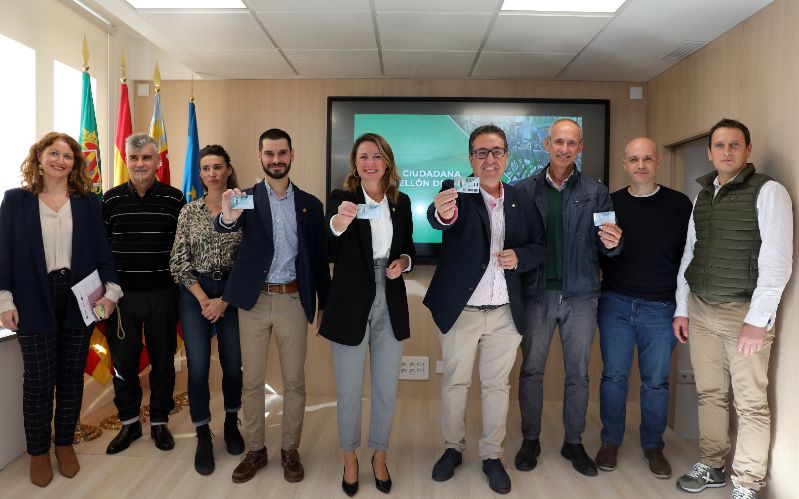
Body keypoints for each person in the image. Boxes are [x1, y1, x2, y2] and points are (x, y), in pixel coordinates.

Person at [673, 119, 792, 499]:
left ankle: (747, 483)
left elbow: (778, 261)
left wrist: (757, 321)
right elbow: (690, 255)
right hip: (701, 309)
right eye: (720, 145)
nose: (727, 151)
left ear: (747, 150)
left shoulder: (769, 191)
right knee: (710, 393)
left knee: (751, 403)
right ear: (710, 153)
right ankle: (712, 464)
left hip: (743, 314)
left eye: (734, 145)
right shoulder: (702, 196)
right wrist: (681, 308)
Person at [425, 124, 546, 495]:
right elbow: (439, 217)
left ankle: (492, 455)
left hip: (505, 312)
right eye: (481, 152)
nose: (489, 159)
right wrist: (443, 213)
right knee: (455, 382)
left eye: (496, 152)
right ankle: (453, 448)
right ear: (471, 159)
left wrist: (520, 256)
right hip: (461, 310)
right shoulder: (456, 191)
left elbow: (539, 246)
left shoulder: (522, 199)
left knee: (496, 386)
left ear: (507, 157)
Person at [0, 132, 121, 487]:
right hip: (32, 298)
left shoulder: (87, 203)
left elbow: (102, 252)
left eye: (67, 156)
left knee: (70, 377)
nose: (60, 161)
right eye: (54, 153)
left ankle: (64, 444)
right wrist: (4, 301)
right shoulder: (16, 200)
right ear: (39, 157)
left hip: (78, 299)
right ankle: (38, 452)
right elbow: (3, 254)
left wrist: (111, 294)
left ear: (75, 164)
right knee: (38, 380)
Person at [217, 128, 330, 484]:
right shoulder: (244, 198)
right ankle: (256, 450)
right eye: (269, 153)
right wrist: (227, 217)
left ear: (292, 155)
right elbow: (225, 229)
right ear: (260, 156)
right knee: (252, 382)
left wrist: (323, 304)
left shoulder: (310, 204)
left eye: (282, 153)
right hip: (253, 302)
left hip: (293, 300)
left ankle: (289, 450)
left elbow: (318, 259)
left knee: (294, 382)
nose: (276, 159)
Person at [514, 118, 622, 477]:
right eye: (558, 142)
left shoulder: (596, 191)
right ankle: (530, 439)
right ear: (546, 145)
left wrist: (614, 244)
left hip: (581, 296)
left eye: (571, 143)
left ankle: (573, 442)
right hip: (536, 295)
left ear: (580, 148)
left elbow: (607, 245)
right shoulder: (523, 190)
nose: (564, 148)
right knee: (531, 371)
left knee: (578, 374)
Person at [320, 133, 415, 496]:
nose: (370, 162)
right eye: (363, 156)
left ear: (387, 162)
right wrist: (340, 221)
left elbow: (407, 248)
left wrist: (403, 262)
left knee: (386, 389)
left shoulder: (401, 202)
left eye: (377, 156)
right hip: (350, 301)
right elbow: (331, 234)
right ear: (355, 164)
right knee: (348, 390)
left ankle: (379, 455)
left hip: (390, 297)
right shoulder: (342, 198)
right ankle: (350, 458)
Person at [594, 138, 692, 478]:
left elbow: (689, 258)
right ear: (624, 164)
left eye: (647, 159)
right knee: (613, 377)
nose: (640, 165)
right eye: (634, 159)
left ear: (657, 162)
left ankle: (653, 446)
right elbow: (599, 252)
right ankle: (610, 441)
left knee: (656, 382)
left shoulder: (679, 205)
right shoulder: (610, 203)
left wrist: (683, 307)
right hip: (615, 303)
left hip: (662, 307)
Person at [103, 133, 186, 455]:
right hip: (121, 299)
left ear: (158, 161)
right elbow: (101, 250)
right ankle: (129, 423)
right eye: (134, 158)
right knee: (123, 364)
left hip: (163, 295)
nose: (140, 164)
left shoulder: (175, 199)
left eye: (147, 158)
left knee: (163, 362)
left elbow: (182, 248)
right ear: (126, 160)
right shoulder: (110, 200)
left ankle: (159, 421)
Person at [169, 144, 244, 475]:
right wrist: (203, 299)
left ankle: (230, 422)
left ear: (228, 170)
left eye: (218, 167)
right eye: (206, 168)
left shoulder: (243, 206)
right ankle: (202, 433)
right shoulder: (189, 211)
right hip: (195, 292)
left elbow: (250, 258)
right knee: (198, 369)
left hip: (233, 293)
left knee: (234, 366)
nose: (212, 173)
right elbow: (178, 262)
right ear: (200, 174)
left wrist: (225, 299)